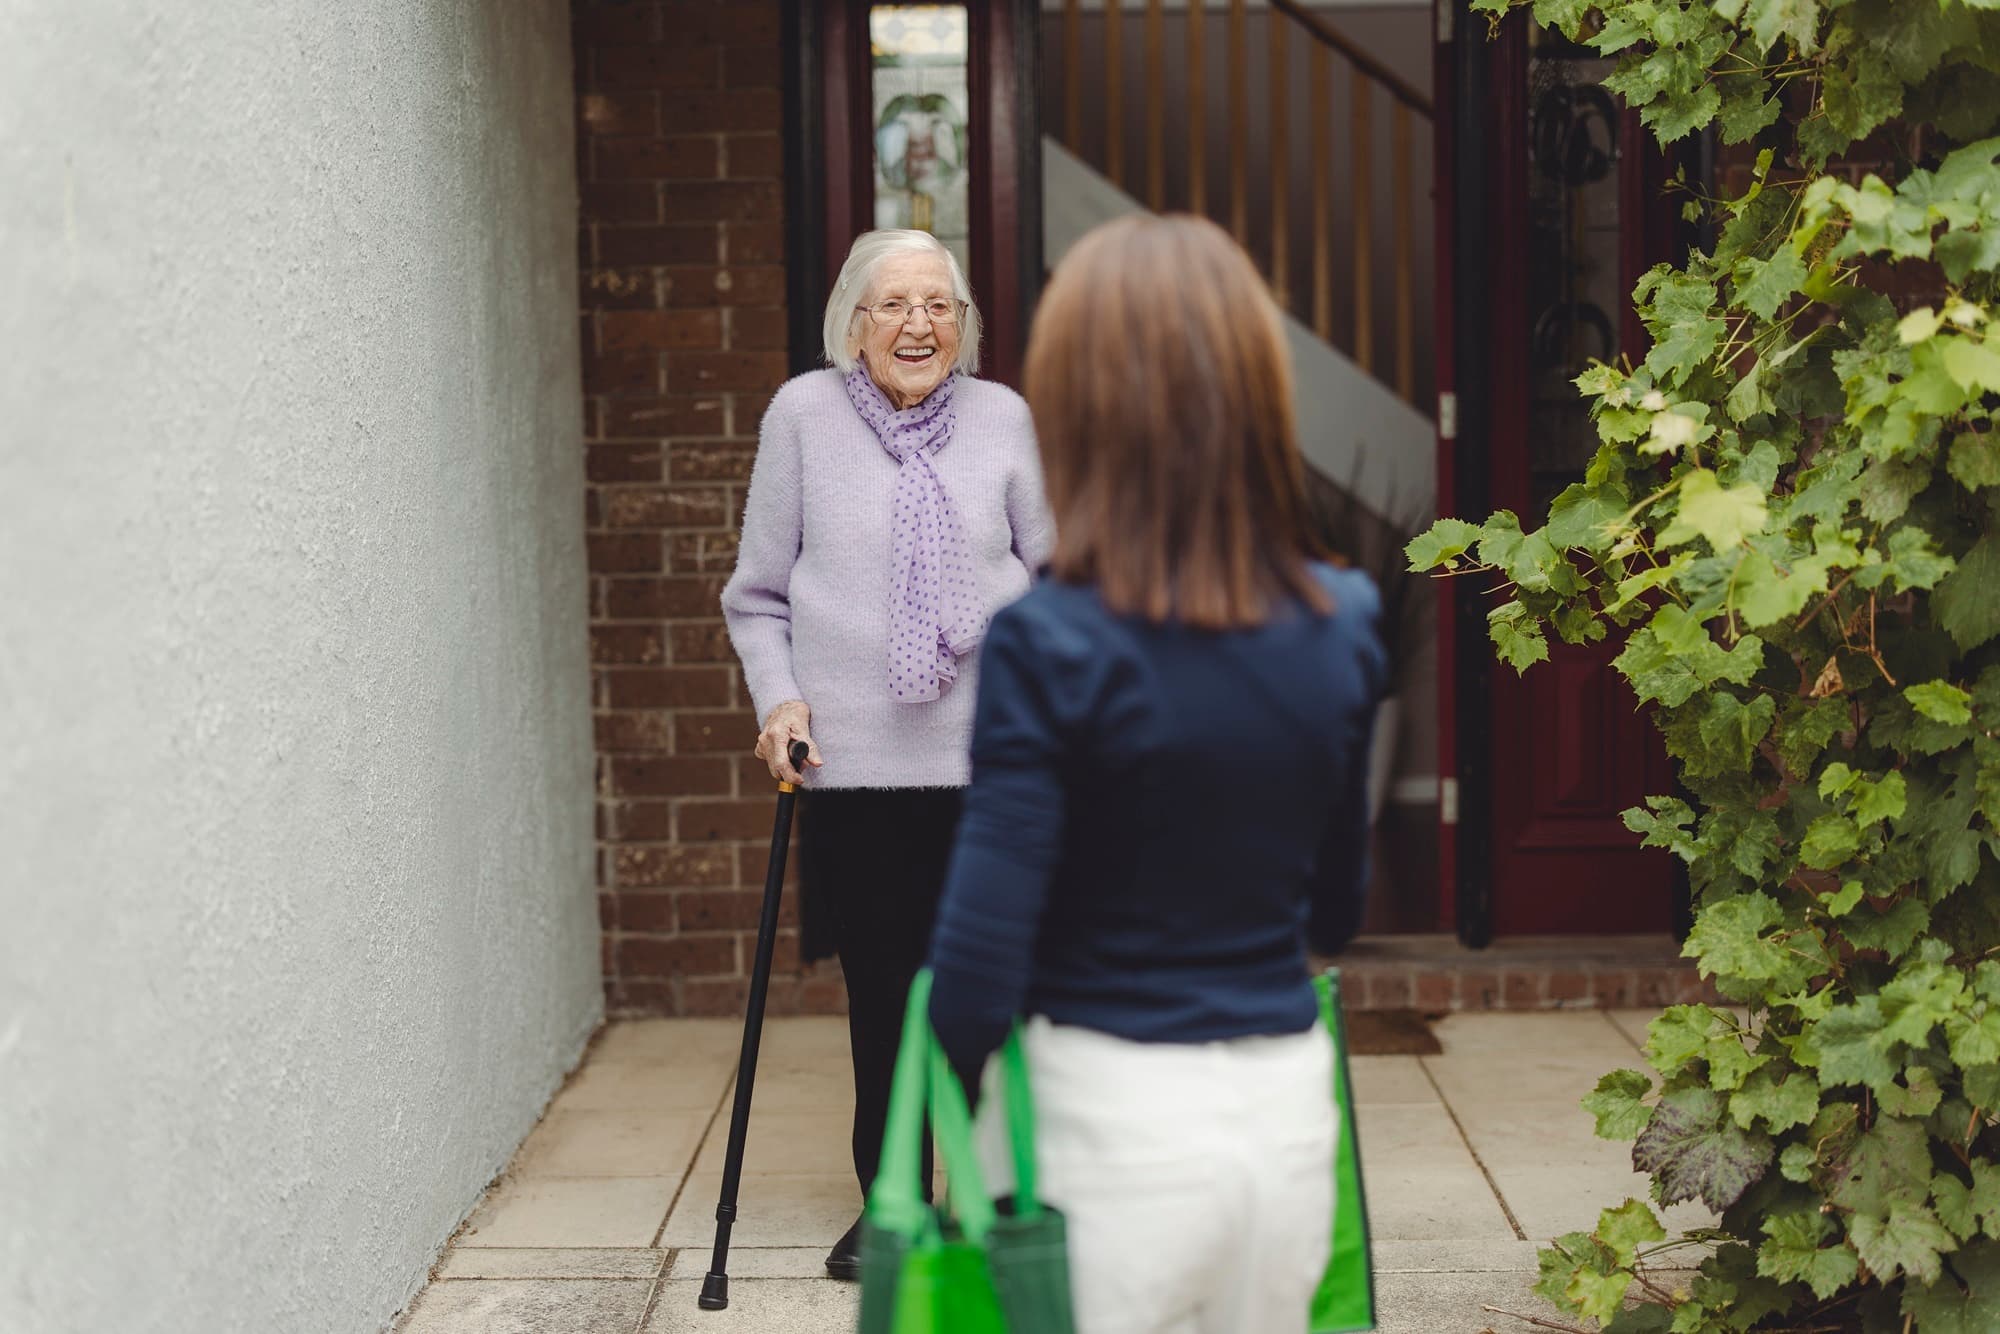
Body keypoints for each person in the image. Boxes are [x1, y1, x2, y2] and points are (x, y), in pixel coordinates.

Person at [925, 214, 1384, 1334]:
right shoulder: (1345, 622)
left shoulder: (1049, 640)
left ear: (1080, 410)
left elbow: (976, 971)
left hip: (1108, 1128)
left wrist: (952, 1117)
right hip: (1282, 1124)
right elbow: (1334, 908)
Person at [719, 228, 1052, 1280]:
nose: (918, 324)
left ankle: (997, 1191)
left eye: (938, 305)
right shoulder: (803, 418)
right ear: (852, 324)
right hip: (856, 768)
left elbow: (1058, 578)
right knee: (884, 989)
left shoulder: (1003, 418)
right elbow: (758, 592)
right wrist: (779, 700)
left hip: (993, 762)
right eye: (894, 305)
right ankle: (895, 1201)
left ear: (962, 323)